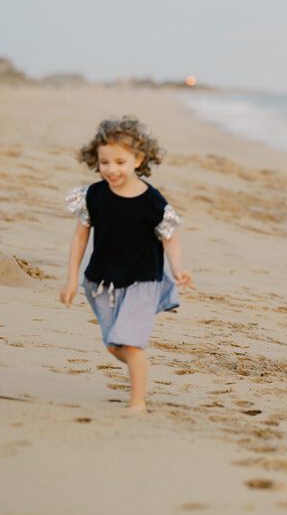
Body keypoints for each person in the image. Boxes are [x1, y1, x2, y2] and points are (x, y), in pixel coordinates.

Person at [61, 116, 194, 413]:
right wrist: (71, 279)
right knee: (114, 345)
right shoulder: (92, 196)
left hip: (142, 281)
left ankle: (138, 402)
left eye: (120, 162)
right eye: (104, 162)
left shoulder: (152, 202)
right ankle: (139, 365)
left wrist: (177, 268)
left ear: (138, 159)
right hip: (101, 282)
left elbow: (169, 237)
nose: (111, 169)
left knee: (131, 347)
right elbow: (80, 237)